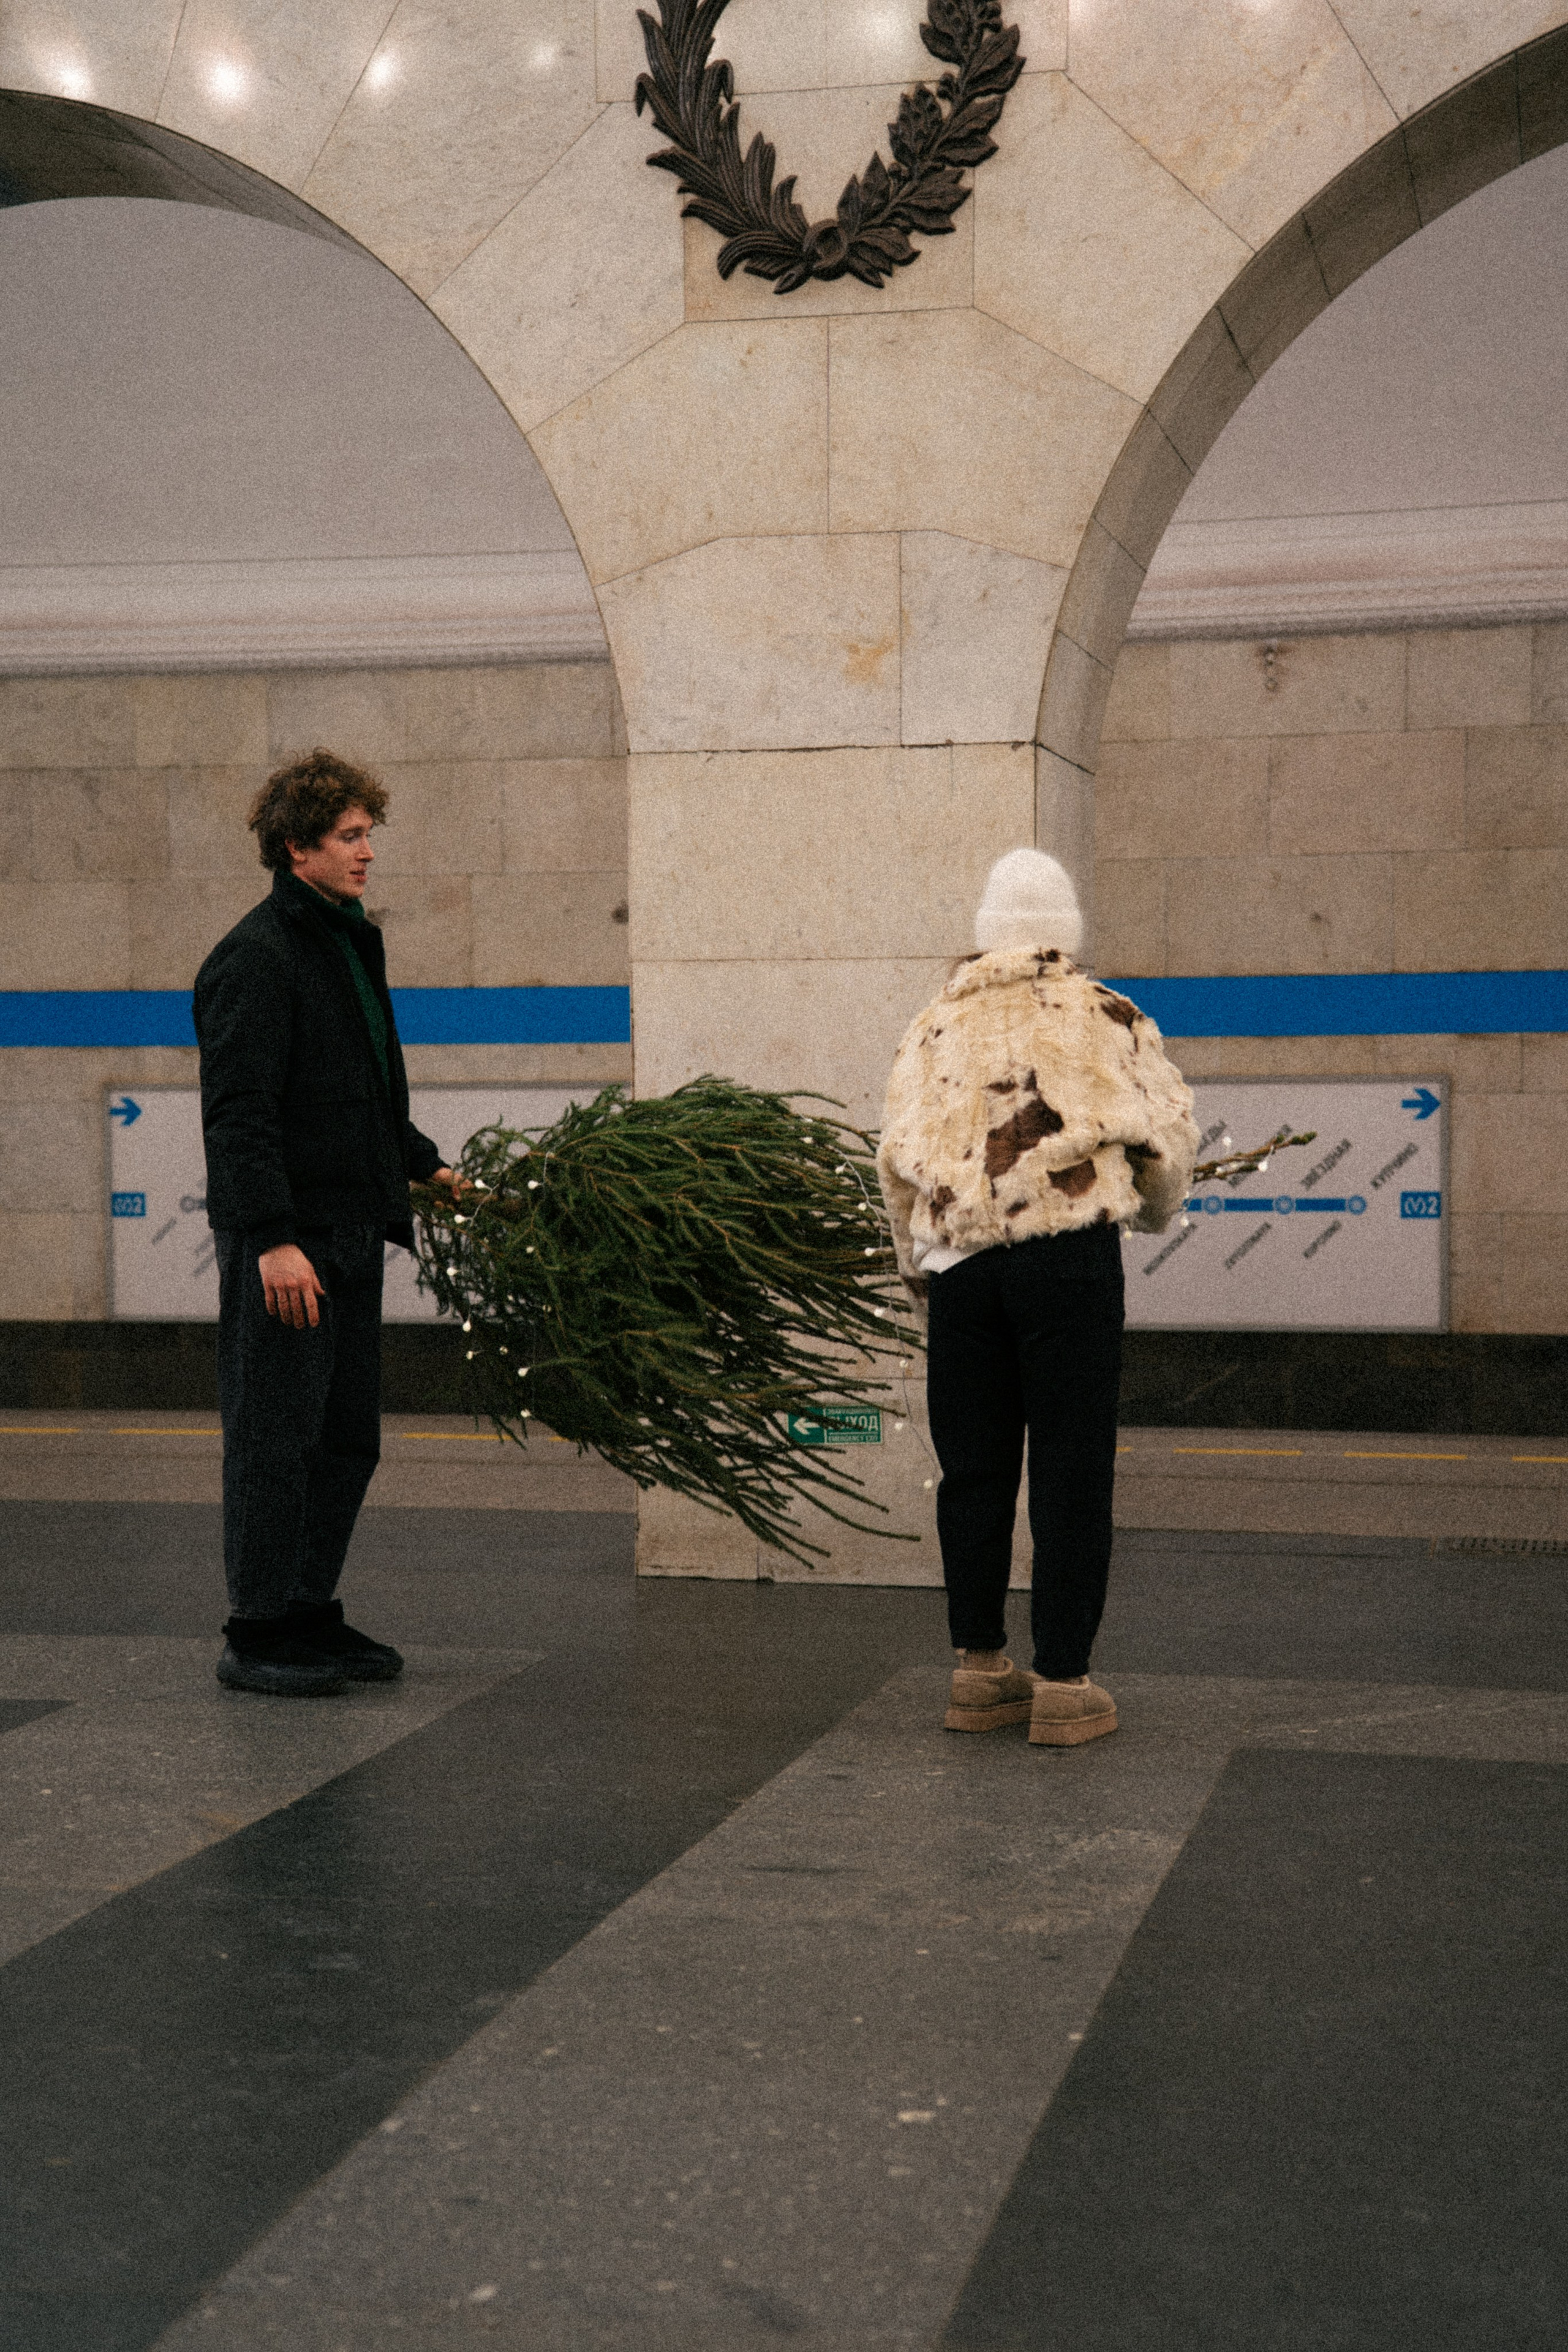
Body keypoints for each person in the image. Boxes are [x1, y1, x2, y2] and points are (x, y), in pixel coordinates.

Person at [876, 848, 1197, 1747]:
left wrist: (920, 1266)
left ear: (983, 933)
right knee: (1070, 1465)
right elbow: (1168, 1145)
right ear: (1068, 933)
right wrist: (1148, 1212)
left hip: (963, 1268)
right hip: (1067, 1264)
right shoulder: (1107, 1013)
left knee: (974, 1470)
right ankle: (1063, 1682)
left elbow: (896, 1162)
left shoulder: (932, 1025)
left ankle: (979, 1671)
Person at [194, 750, 461, 1698]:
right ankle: (256, 1626)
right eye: (350, 836)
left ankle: (307, 1609)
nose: (368, 851)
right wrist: (270, 1238)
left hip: (350, 1234)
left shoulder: (345, 942)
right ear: (297, 845)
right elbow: (240, 1114)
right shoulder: (255, 958)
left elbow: (362, 1088)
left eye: (368, 833)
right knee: (275, 1438)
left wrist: (424, 1163)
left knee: (346, 1439)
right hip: (291, 1247)